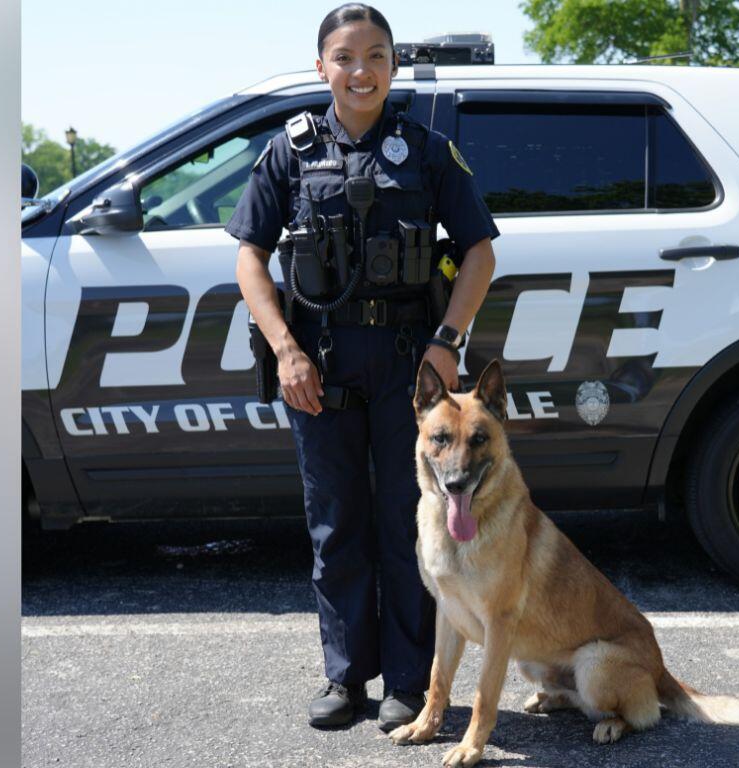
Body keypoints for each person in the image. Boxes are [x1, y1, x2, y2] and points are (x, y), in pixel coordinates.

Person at [227, 3, 498, 731]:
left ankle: (408, 683)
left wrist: (446, 342)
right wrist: (285, 348)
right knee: (334, 524)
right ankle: (347, 678)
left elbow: (479, 250)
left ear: (393, 67)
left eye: (376, 55)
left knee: (410, 524)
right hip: (318, 366)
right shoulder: (288, 150)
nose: (361, 70)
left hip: (412, 371)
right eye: (345, 57)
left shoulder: (427, 149)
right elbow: (249, 255)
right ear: (323, 67)